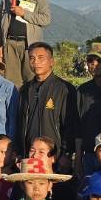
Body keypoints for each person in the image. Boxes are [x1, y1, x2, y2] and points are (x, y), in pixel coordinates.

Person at [17, 42, 78, 177]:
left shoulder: (64, 89)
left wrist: (66, 154)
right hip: (30, 155)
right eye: (32, 58)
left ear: (51, 61)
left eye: (41, 58)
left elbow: (71, 125)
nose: (36, 62)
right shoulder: (25, 90)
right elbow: (20, 123)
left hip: (54, 156)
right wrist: (20, 152)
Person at [0, 0, 51, 87]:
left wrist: (24, 13)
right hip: (9, 44)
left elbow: (46, 19)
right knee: (11, 81)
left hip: (29, 45)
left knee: (31, 78)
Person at [74, 43, 101, 176]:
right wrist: (77, 161)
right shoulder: (82, 90)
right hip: (89, 157)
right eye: (90, 60)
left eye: (100, 60)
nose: (94, 64)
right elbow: (78, 128)